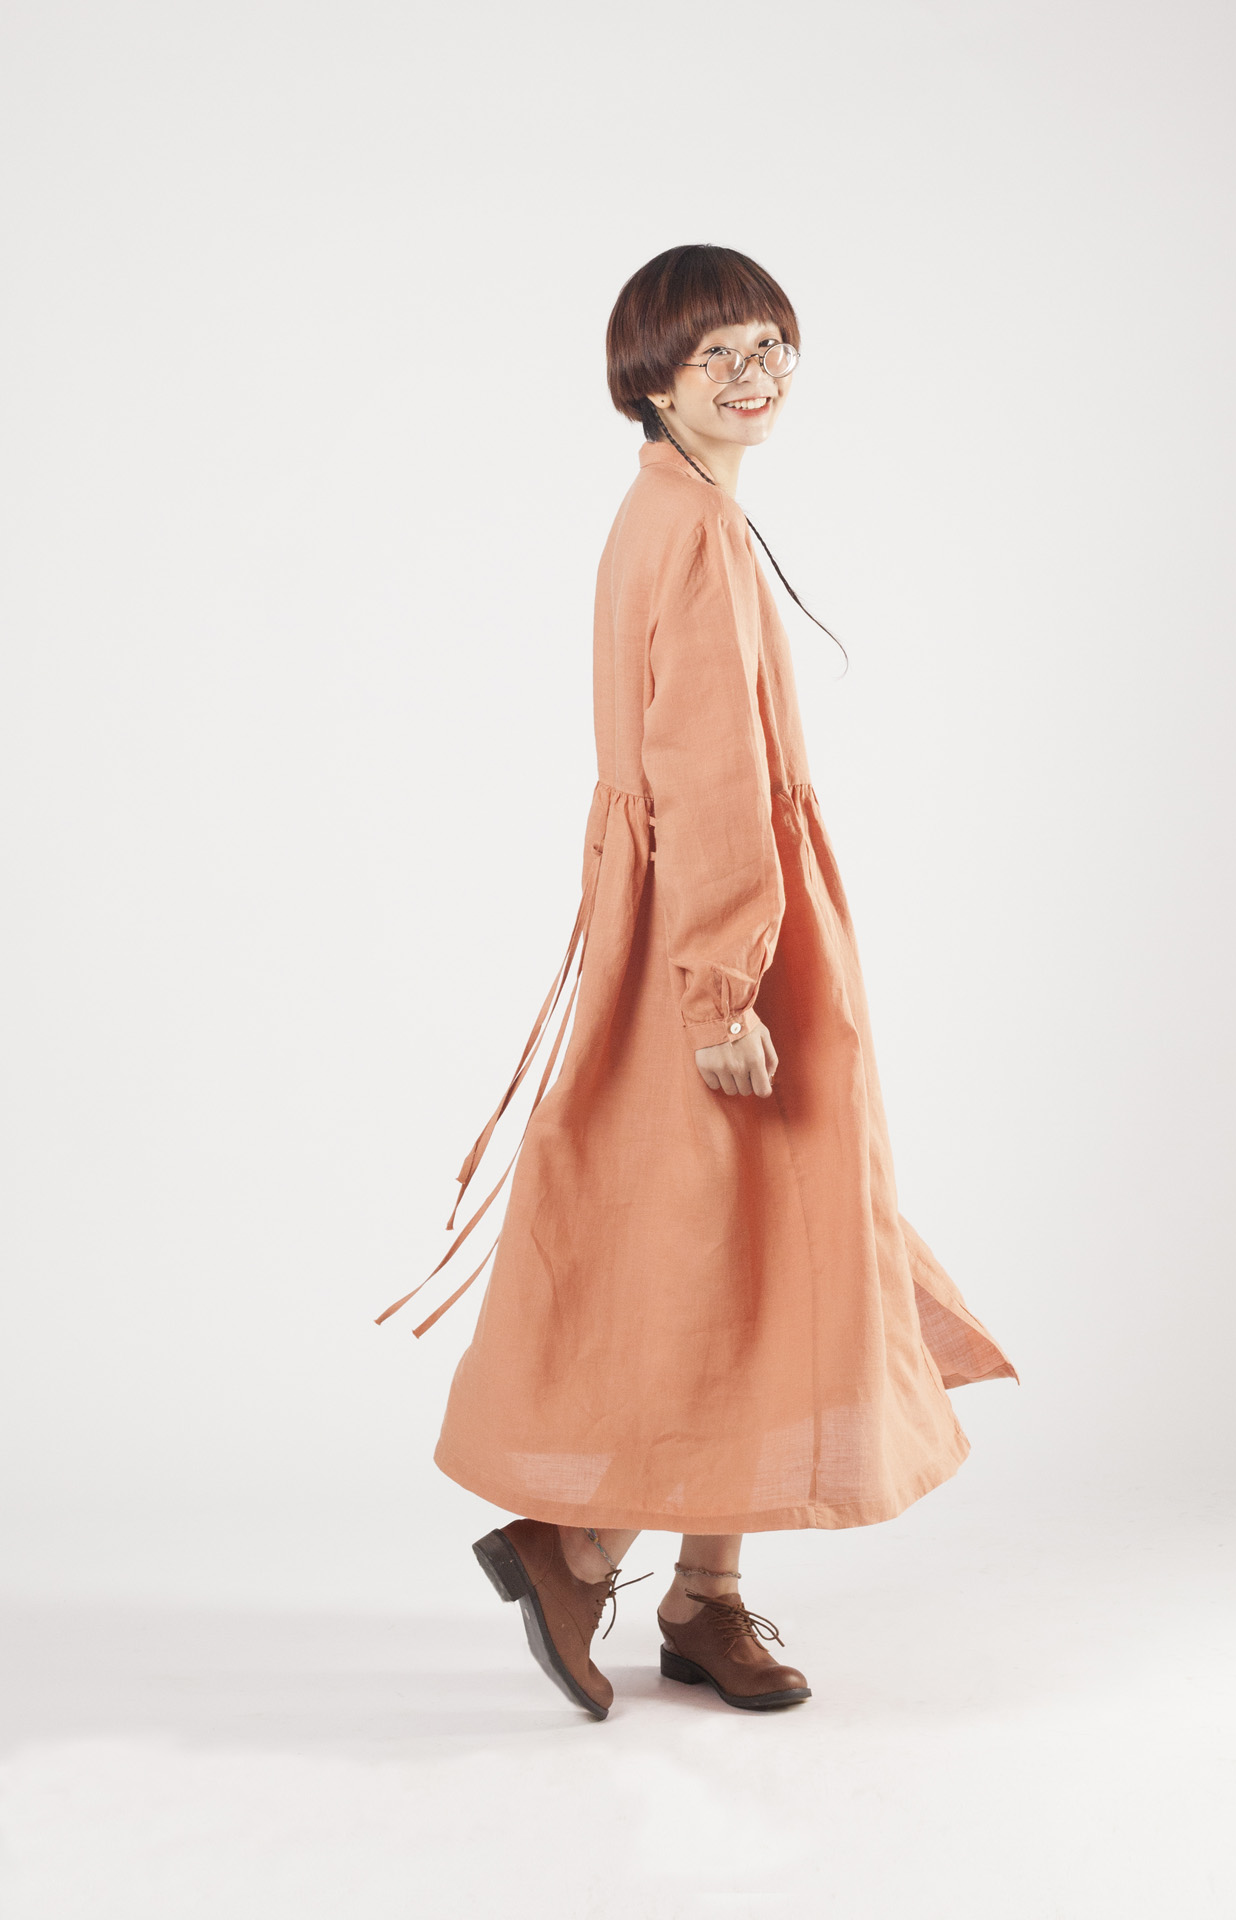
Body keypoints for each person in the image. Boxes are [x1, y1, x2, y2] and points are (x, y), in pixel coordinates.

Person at [383, 244, 1016, 1719]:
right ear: (651, 381)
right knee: (729, 1245)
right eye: (718, 353)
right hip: (720, 927)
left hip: (683, 914)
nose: (755, 375)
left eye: (771, 347)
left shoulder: (670, 509)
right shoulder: (693, 530)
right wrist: (724, 986)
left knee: (755, 1242)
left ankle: (699, 1592)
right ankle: (585, 1544)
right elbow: (712, 768)